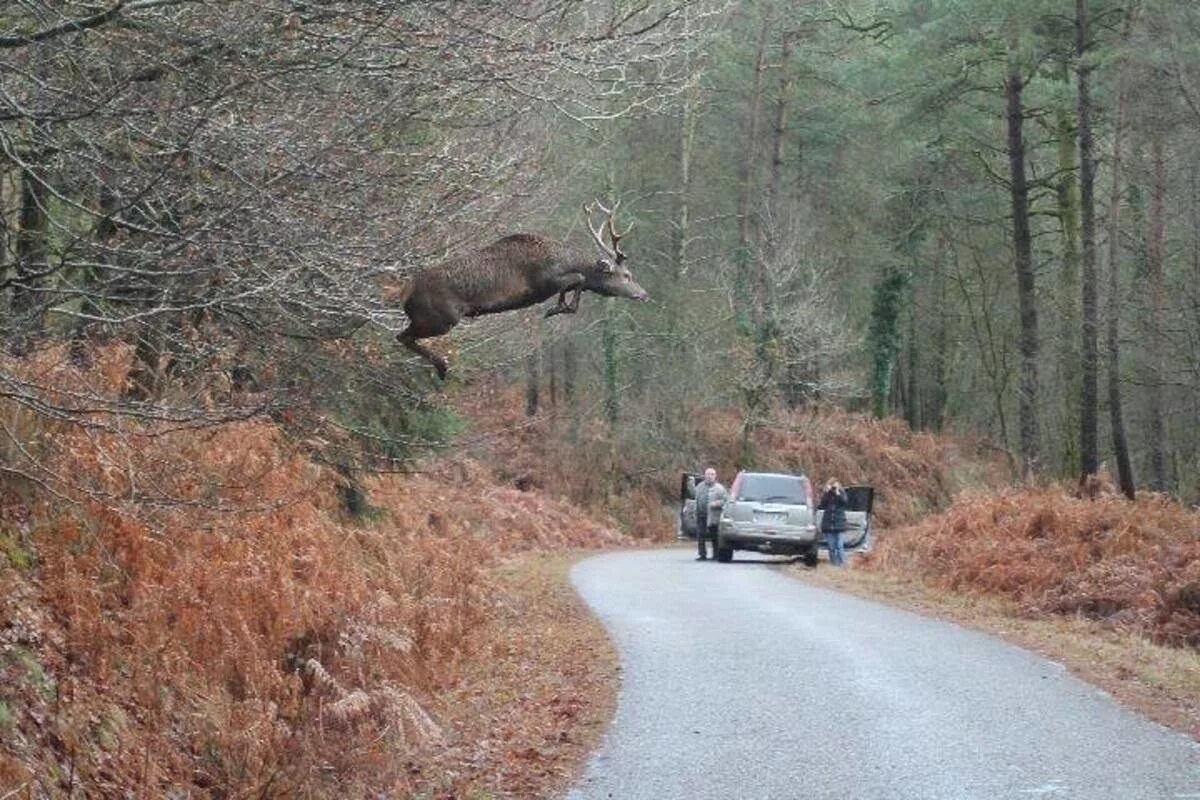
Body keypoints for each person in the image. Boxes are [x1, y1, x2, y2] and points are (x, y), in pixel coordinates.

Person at [693, 467, 727, 560]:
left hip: (713, 516)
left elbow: (725, 501)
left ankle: (716, 554)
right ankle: (702, 554)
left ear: (715, 476)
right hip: (701, 515)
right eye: (708, 474)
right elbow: (695, 499)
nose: (709, 476)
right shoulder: (699, 487)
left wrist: (715, 504)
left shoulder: (720, 488)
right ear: (704, 475)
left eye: (712, 474)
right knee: (700, 535)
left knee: (714, 536)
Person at [818, 478, 849, 567]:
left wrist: (837, 493)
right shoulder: (827, 495)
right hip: (829, 524)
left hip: (840, 524)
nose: (834, 488)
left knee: (839, 545)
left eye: (835, 485)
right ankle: (834, 564)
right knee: (831, 546)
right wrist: (826, 493)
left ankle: (843, 564)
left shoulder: (842, 494)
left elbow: (845, 502)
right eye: (833, 485)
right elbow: (822, 505)